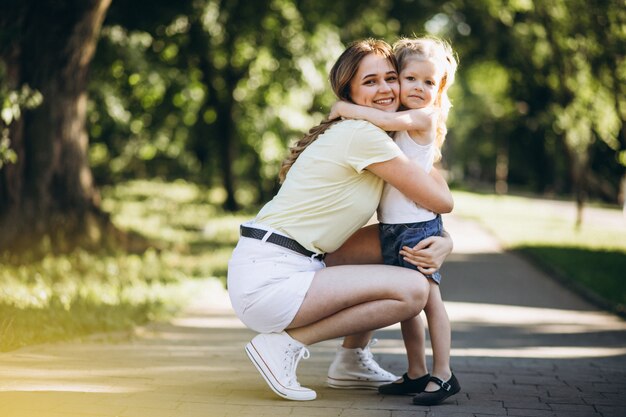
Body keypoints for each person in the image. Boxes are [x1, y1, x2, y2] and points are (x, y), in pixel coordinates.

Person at [227, 38, 454, 402]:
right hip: (270, 280)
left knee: (392, 249)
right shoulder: (362, 134)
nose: (385, 89)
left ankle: (350, 360)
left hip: (285, 264)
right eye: (370, 81)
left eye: (391, 77)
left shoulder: (383, 137)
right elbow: (440, 199)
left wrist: (446, 241)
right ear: (349, 91)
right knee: (413, 289)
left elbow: (418, 213)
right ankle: (283, 347)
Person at [328, 36, 460, 405]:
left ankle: (444, 374)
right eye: (411, 79)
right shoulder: (396, 126)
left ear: (439, 89)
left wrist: (344, 107)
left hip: (417, 227)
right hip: (393, 226)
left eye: (429, 83)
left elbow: (383, 116)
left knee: (430, 303)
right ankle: (416, 372)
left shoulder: (422, 117)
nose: (419, 88)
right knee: (407, 306)